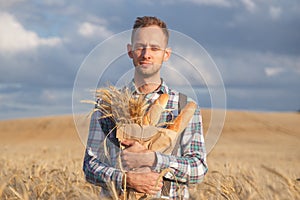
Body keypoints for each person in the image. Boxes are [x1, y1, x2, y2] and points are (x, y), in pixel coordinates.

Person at [83, 16, 208, 199]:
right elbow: (90, 166)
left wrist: (154, 159)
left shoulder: (183, 106)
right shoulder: (107, 105)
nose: (146, 54)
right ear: (130, 51)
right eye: (140, 47)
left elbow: (198, 169)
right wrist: (125, 179)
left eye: (155, 48)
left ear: (166, 54)